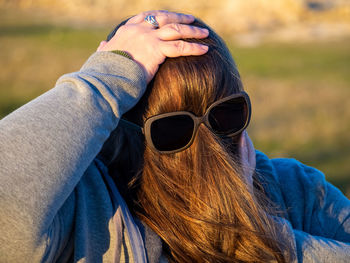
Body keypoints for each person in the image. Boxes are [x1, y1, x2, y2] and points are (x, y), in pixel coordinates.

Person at [0, 10, 349, 263]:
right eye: (172, 130)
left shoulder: (294, 190)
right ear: (115, 134)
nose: (207, 145)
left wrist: (256, 235)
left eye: (226, 115)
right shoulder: (86, 213)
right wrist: (109, 76)